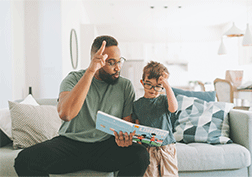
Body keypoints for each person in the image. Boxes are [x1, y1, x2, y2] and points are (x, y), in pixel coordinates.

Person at [14, 35, 150, 177]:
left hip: (105, 146)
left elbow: (125, 124)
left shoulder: (125, 86)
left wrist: (123, 139)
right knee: (25, 160)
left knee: (140, 155)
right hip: (71, 144)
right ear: (96, 61)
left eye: (119, 61)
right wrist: (90, 72)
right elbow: (66, 114)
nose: (118, 68)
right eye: (111, 63)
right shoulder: (73, 79)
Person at [132, 61, 179, 177]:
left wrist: (167, 86)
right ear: (142, 83)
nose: (153, 89)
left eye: (158, 86)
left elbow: (173, 108)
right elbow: (137, 126)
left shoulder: (163, 100)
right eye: (149, 84)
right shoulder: (137, 105)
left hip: (166, 147)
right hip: (148, 148)